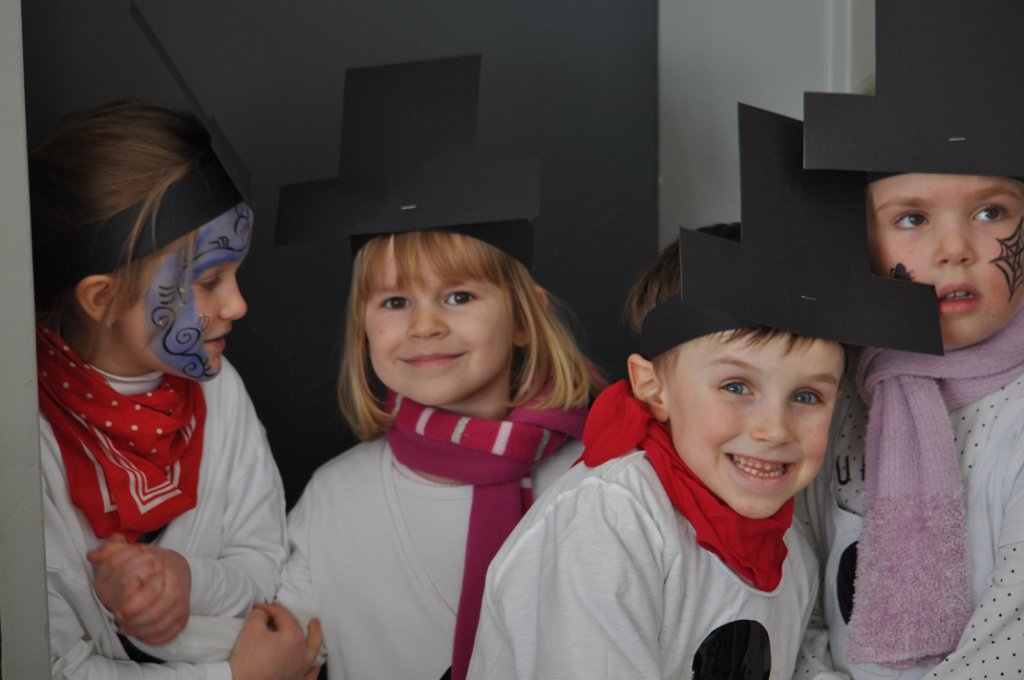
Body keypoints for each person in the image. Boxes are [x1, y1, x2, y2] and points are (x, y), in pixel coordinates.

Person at [466, 104, 939, 680]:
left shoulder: (787, 543)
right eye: (737, 386)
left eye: (806, 397)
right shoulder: (610, 518)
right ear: (652, 387)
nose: (773, 429)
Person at [272, 55, 599, 680]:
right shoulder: (335, 498)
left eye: (459, 296)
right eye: (395, 303)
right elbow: (281, 645)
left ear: (524, 317)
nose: (424, 326)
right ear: (363, 328)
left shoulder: (596, 480)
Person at [32, 99, 321, 680]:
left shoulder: (219, 389)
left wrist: (187, 577)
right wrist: (237, 677)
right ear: (102, 298)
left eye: (235, 275)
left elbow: (261, 557)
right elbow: (53, 667)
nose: (237, 304)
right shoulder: (27, 442)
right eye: (210, 281)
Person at [796, 1, 1024, 675]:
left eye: (991, 211)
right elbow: (793, 595)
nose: (955, 249)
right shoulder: (836, 397)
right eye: (912, 219)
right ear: (858, 240)